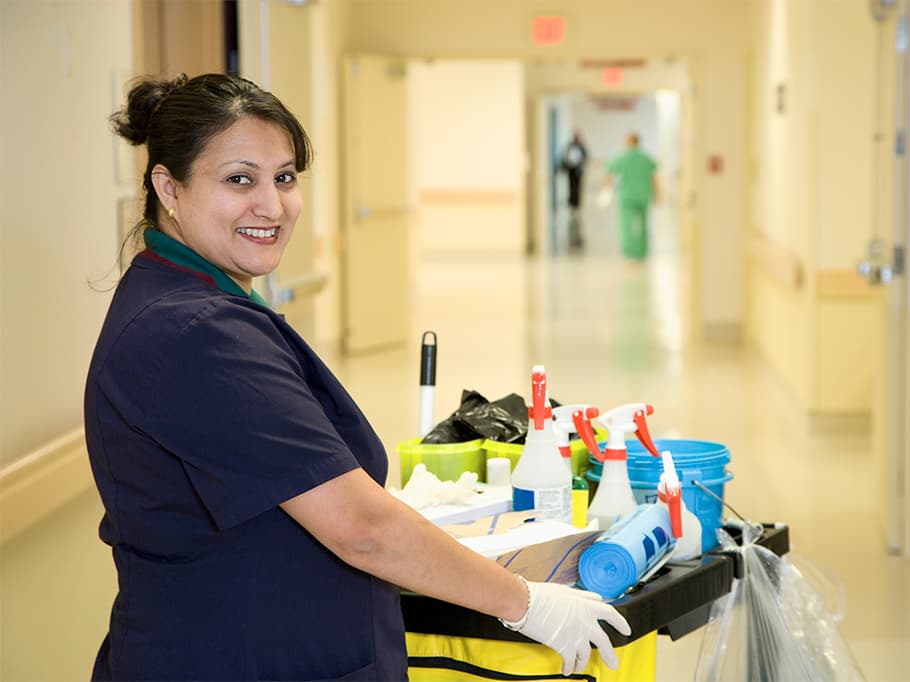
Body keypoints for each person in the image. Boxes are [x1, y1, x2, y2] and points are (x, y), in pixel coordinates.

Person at [85, 73, 629, 681]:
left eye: (284, 178)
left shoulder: (183, 297)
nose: (272, 205)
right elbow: (362, 529)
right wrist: (526, 604)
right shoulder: (197, 333)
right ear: (170, 188)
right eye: (240, 179)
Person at [604, 132, 659, 260]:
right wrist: (657, 195)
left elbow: (609, 173)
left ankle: (629, 251)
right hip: (643, 195)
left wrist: (606, 191)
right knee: (643, 223)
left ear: (628, 142)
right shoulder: (646, 158)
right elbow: (654, 177)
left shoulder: (622, 157)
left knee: (626, 224)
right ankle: (642, 251)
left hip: (627, 196)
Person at [561, 131, 588, 249]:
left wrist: (579, 164)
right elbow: (564, 158)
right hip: (571, 171)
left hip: (578, 171)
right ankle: (572, 204)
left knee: (578, 189)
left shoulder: (582, 146)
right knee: (571, 188)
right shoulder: (569, 146)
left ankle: (577, 205)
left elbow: (585, 157)